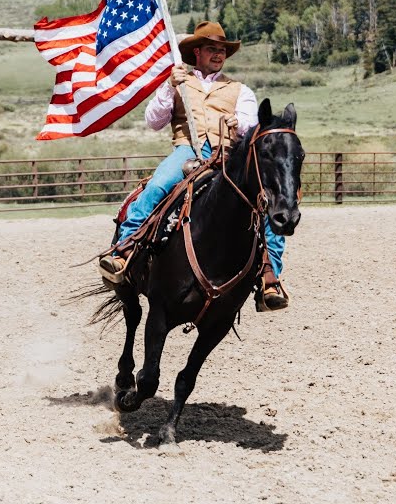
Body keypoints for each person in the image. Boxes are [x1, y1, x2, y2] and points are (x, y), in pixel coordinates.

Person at [97, 20, 291, 310]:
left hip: (227, 154)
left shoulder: (239, 90)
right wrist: (168, 88)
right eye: (212, 49)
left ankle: (269, 276)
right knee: (159, 185)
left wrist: (240, 124)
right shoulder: (178, 81)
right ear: (196, 52)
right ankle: (125, 249)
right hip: (187, 150)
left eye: (222, 50)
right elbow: (153, 121)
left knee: (268, 202)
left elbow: (252, 122)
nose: (218, 54)